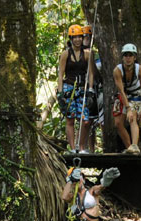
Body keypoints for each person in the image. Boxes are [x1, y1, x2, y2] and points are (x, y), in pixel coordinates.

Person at [56, 25, 94, 153]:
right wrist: (60, 93)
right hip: (69, 88)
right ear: (71, 39)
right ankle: (73, 148)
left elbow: (91, 73)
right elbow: (61, 74)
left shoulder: (87, 54)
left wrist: (90, 90)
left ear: (82, 38)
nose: (77, 40)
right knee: (70, 119)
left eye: (79, 37)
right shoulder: (65, 54)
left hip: (82, 88)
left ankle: (81, 147)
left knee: (85, 120)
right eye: (75, 37)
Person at [113, 43, 141, 154]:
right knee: (118, 123)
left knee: (132, 117)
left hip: (135, 95)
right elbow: (121, 91)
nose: (128, 58)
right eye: (126, 55)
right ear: (122, 57)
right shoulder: (117, 70)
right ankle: (129, 148)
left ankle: (135, 146)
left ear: (134, 57)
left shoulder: (140, 70)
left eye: (130, 55)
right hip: (123, 95)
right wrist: (127, 108)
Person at [82, 25, 104, 153]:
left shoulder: (98, 55)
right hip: (86, 89)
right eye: (85, 37)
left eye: (89, 37)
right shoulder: (79, 53)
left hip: (98, 89)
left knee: (101, 120)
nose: (87, 39)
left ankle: (96, 148)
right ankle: (86, 148)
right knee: (87, 120)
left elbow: (96, 74)